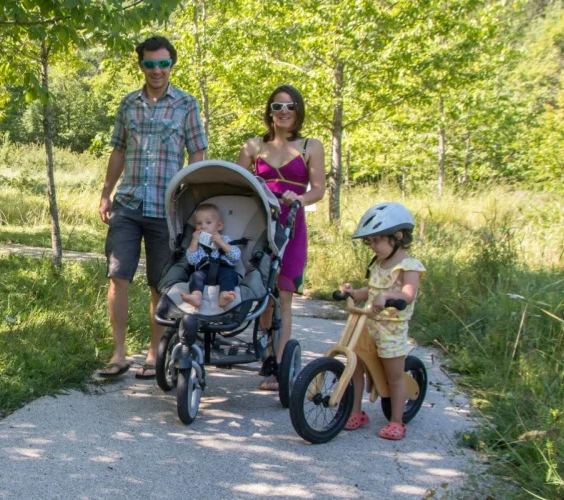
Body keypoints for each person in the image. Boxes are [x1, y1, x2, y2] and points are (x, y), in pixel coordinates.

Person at [98, 36, 207, 379]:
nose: (156, 70)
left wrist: (193, 201)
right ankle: (118, 354)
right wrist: (105, 193)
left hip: (167, 207)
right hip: (128, 203)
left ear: (172, 65)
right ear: (141, 65)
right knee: (118, 277)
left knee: (159, 283)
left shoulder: (187, 104)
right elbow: (117, 150)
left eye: (163, 63)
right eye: (149, 64)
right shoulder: (128, 104)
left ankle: (153, 353)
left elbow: (198, 153)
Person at [235, 85, 326, 391]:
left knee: (283, 295)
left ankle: (277, 362)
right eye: (277, 106)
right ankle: (266, 348)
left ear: (298, 110)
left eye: (290, 106)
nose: (284, 112)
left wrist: (298, 197)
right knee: (262, 292)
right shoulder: (252, 146)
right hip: (259, 224)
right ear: (269, 111)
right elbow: (237, 182)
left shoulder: (310, 146)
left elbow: (318, 188)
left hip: (291, 223)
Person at [338, 202, 425, 441]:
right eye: (370, 242)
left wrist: (389, 296)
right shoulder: (378, 262)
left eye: (377, 240)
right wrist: (353, 292)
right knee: (354, 366)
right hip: (368, 325)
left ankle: (397, 421)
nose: (373, 246)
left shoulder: (409, 266)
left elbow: (408, 295)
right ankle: (356, 411)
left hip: (391, 329)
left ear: (397, 237)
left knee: (394, 376)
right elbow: (372, 290)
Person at [179, 204, 241, 310]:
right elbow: (191, 260)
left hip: (224, 269)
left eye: (208, 222)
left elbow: (236, 256)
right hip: (204, 271)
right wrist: (194, 241)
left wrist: (221, 243)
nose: (203, 226)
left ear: (219, 226)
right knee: (195, 276)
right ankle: (196, 296)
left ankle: (224, 295)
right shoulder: (197, 243)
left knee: (230, 275)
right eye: (199, 223)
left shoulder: (225, 239)